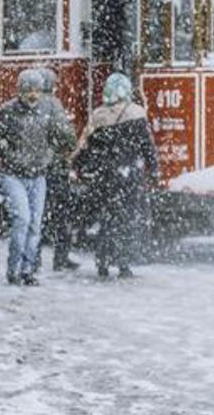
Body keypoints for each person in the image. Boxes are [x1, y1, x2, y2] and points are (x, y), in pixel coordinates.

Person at [74, 73, 159, 279]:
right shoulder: (137, 114)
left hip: (106, 177)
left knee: (107, 220)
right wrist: (153, 169)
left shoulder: (99, 116)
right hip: (130, 175)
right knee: (127, 219)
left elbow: (88, 148)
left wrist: (78, 167)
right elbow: (147, 146)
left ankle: (102, 262)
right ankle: (124, 263)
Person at [0, 69, 72, 286]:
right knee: (23, 219)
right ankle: (14, 267)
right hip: (14, 174)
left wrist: (52, 151)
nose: (33, 95)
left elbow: (63, 137)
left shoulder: (49, 109)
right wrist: (6, 150)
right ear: (20, 90)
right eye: (28, 90)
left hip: (38, 174)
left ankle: (27, 270)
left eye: (37, 90)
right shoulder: (8, 111)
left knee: (35, 224)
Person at [38, 68, 79, 272]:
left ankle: (33, 257)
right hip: (54, 167)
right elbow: (66, 135)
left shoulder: (28, 103)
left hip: (34, 168)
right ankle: (60, 258)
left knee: (38, 215)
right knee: (62, 214)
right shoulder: (54, 104)